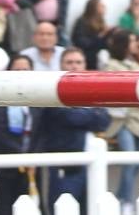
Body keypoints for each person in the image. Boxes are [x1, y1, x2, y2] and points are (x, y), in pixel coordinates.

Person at [31, 47, 111, 214]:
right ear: (60, 65)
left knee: (92, 209)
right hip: (66, 166)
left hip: (92, 163)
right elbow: (71, 118)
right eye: (69, 62)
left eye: (78, 62)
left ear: (85, 65)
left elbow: (104, 120)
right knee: (63, 208)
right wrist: (90, 114)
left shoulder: (93, 91)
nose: (74, 66)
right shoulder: (52, 92)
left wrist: (84, 114)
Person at [102, 29, 139, 211]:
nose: (135, 45)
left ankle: (118, 197)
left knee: (138, 162)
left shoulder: (134, 63)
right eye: (131, 41)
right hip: (122, 120)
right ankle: (126, 203)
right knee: (129, 161)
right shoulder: (112, 65)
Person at [0, 54, 35, 213]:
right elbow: (0, 132)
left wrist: (33, 155)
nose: (21, 73)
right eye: (17, 69)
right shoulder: (0, 100)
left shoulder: (40, 100)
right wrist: (22, 155)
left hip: (34, 167)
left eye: (25, 70)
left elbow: (41, 131)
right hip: (5, 166)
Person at [70, 0, 113, 70]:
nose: (104, 7)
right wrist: (101, 35)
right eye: (101, 6)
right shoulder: (82, 21)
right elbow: (80, 42)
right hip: (87, 56)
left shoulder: (102, 21)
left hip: (99, 56)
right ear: (94, 8)